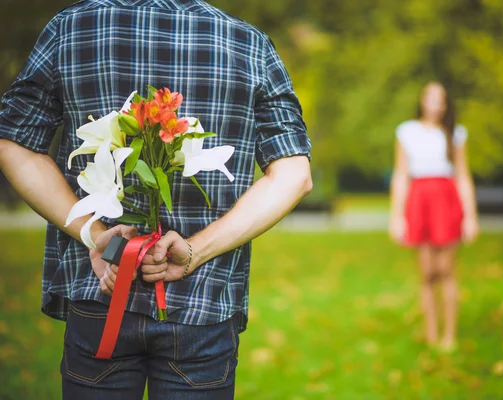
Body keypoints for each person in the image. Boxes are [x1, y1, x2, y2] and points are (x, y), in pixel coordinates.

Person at [0, 0, 312, 398]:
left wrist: (97, 236)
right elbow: (294, 174)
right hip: (203, 300)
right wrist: (195, 251)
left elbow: (14, 143)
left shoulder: (73, 28)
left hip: (102, 290)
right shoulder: (249, 44)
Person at [389, 82, 479, 352]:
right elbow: (400, 175)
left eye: (441, 99)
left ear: (446, 104)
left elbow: (463, 175)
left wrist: (470, 216)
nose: (435, 104)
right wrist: (396, 216)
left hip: (446, 200)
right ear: (422, 100)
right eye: (431, 98)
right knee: (427, 273)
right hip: (419, 200)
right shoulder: (406, 132)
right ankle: (430, 335)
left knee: (446, 271)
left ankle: (449, 335)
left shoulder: (456, 134)